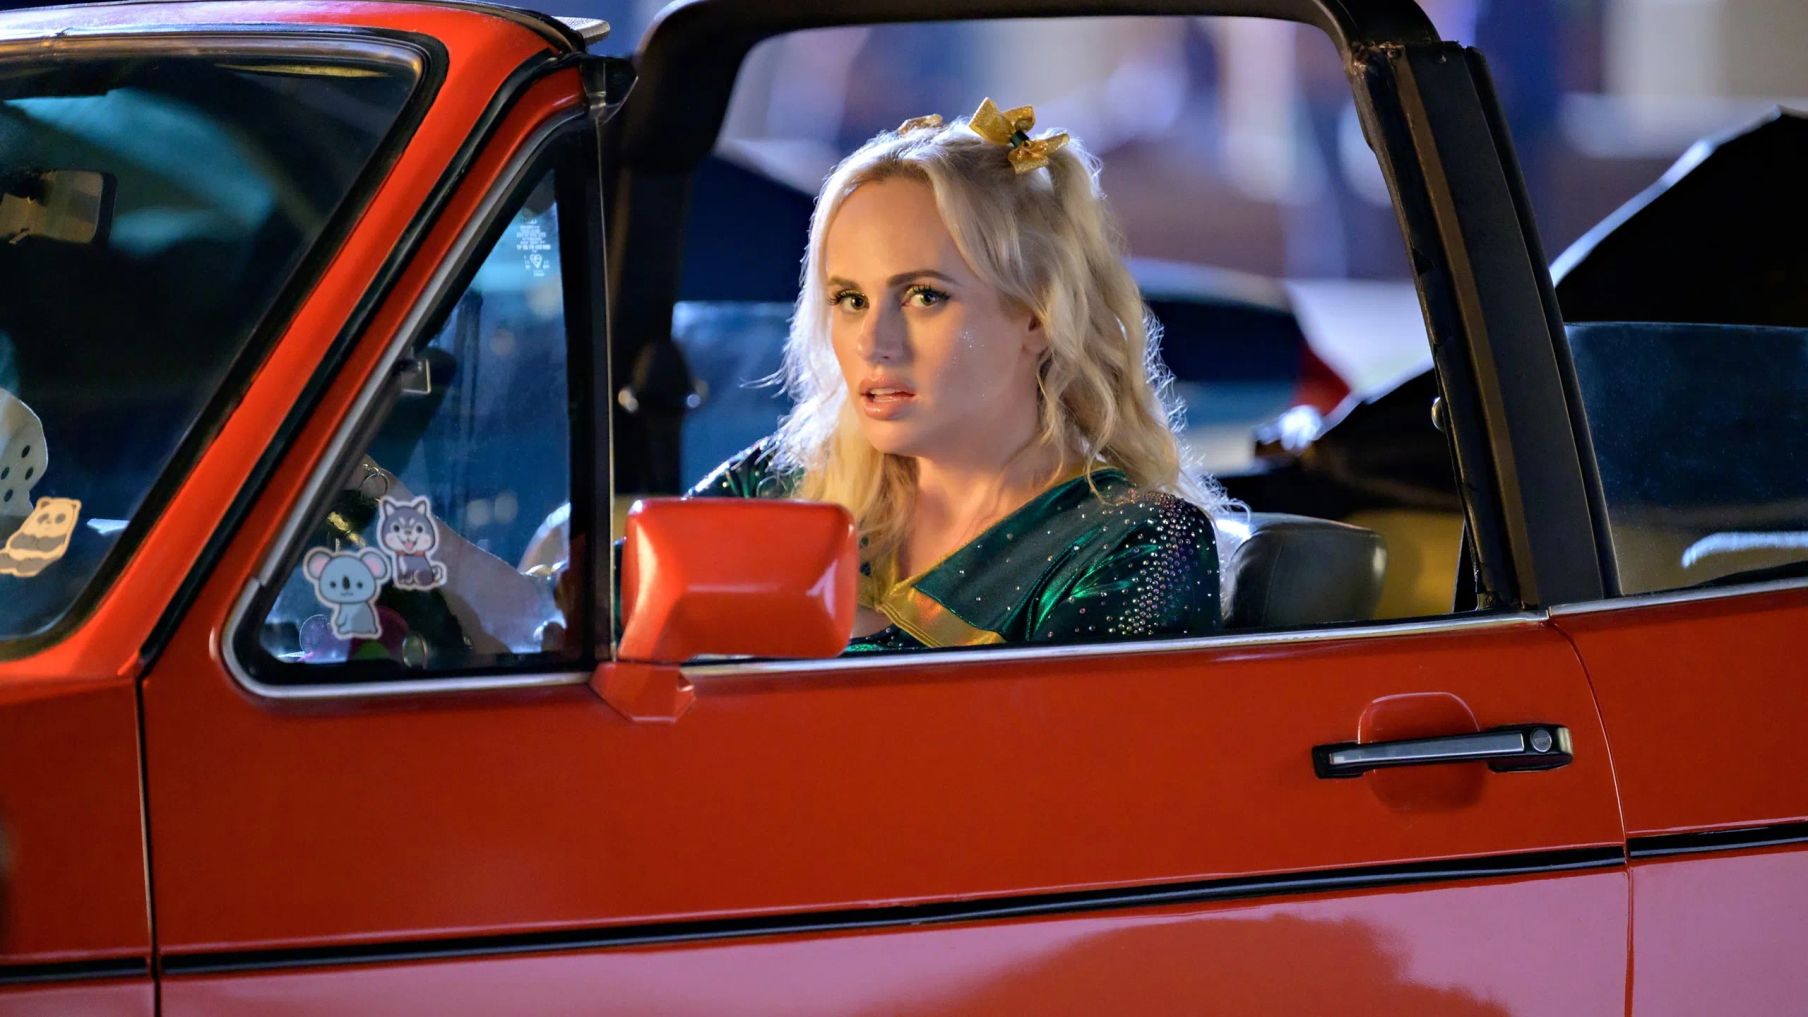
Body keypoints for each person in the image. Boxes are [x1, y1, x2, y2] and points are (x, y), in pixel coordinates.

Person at [692, 99, 1225, 651]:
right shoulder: (783, 485)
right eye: (850, 299)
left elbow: (1063, 715)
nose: (873, 343)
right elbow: (632, 610)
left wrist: (828, 621)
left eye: (924, 296)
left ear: (1038, 316)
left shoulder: (1134, 542)